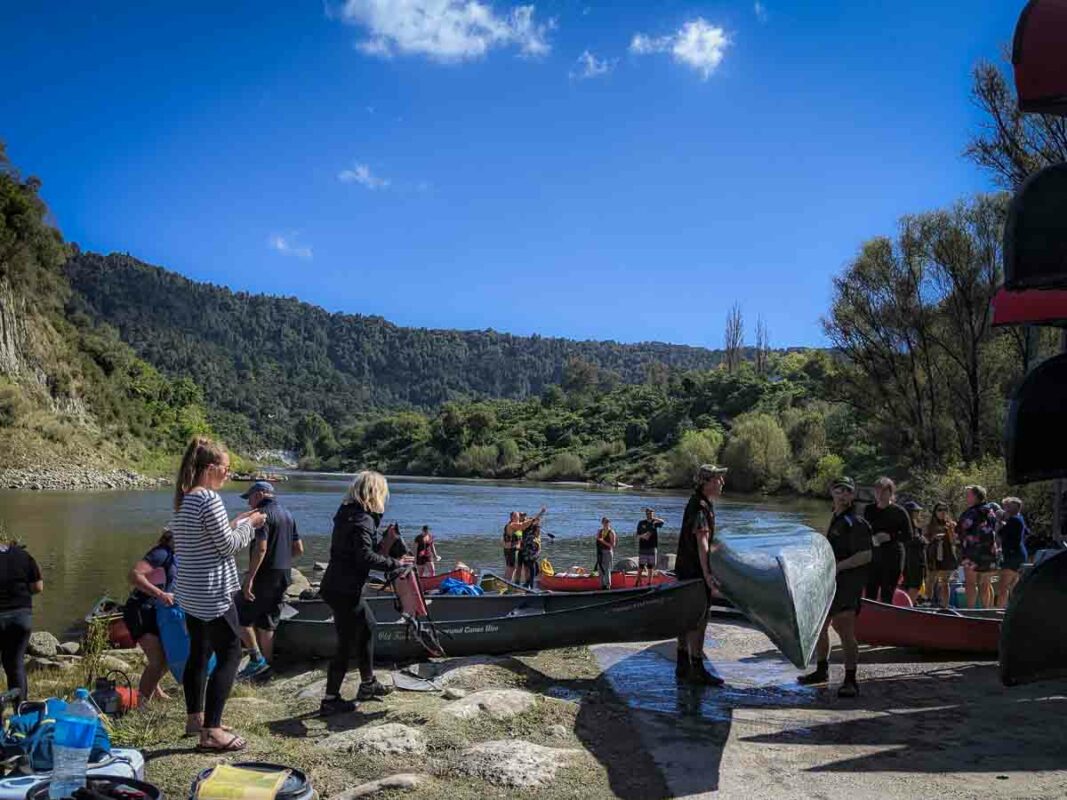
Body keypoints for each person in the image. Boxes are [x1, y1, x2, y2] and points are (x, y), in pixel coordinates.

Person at [171, 437, 264, 752]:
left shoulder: (185, 498)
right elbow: (227, 546)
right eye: (226, 467)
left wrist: (235, 522)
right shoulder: (209, 498)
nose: (229, 473)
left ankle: (195, 719)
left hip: (191, 592)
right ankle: (211, 731)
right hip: (213, 593)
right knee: (231, 654)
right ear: (211, 468)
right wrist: (251, 524)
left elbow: (207, 538)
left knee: (199, 653)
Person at [319, 471, 413, 717]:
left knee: (367, 627)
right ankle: (330, 699)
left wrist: (386, 543)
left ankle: (368, 684)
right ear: (375, 493)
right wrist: (396, 564)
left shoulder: (348, 513)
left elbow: (360, 552)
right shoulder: (363, 519)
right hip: (344, 589)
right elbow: (365, 557)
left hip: (337, 585)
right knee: (347, 642)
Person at [799, 477, 872, 698]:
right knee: (821, 627)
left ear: (852, 495)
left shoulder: (856, 522)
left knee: (844, 630)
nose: (842, 495)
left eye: (847, 491)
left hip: (848, 584)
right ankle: (822, 670)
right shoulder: (836, 518)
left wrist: (838, 566)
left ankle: (850, 680)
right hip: (829, 583)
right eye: (838, 491)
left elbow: (866, 555)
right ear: (832, 493)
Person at [236, 481, 303, 680]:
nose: (249, 503)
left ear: (259, 495)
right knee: (268, 621)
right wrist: (281, 560)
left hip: (264, 574)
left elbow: (261, 548)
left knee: (239, 615)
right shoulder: (288, 514)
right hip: (283, 572)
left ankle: (258, 662)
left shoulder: (261, 515)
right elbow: (299, 549)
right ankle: (266, 666)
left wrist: (249, 578)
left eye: (249, 498)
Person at [674, 464, 727, 687]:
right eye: (717, 479)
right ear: (705, 482)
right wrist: (707, 575)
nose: (722, 482)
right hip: (695, 573)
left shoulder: (695, 502)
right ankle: (697, 669)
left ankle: (682, 664)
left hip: (685, 570)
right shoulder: (700, 507)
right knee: (699, 620)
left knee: (685, 617)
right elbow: (702, 542)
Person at [124, 528, 177, 702]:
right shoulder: (161, 553)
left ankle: (156, 692)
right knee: (157, 660)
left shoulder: (174, 555)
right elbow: (134, 575)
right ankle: (141, 703)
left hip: (156, 611)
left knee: (168, 656)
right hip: (140, 610)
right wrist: (160, 594)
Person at [0, 534, 42, 701]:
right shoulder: (23, 555)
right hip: (21, 618)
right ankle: (20, 708)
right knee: (15, 664)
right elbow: (38, 587)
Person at [862, 477, 911, 604]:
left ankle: (886, 615)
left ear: (891, 493)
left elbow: (909, 536)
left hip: (893, 557)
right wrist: (870, 538)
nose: (880, 495)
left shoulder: (899, 512)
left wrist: (890, 537)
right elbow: (863, 531)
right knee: (870, 594)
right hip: (873, 557)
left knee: (887, 595)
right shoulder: (869, 510)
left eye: (884, 491)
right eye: (877, 491)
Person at [957, 484, 999, 609]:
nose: (966, 497)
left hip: (972, 552)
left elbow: (961, 528)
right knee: (985, 584)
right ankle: (986, 610)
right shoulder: (991, 512)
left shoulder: (970, 513)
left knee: (970, 583)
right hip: (989, 551)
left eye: (968, 495)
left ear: (976, 496)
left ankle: (970, 610)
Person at [995, 496, 1028, 608]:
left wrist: (1000, 522)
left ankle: (1000, 611)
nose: (1005, 509)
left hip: (1011, 556)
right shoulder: (1020, 519)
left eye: (1006, 507)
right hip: (1020, 554)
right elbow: (1026, 532)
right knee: (1014, 587)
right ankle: (1013, 610)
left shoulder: (1013, 520)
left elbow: (1000, 533)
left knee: (1003, 587)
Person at [925, 502, 958, 608]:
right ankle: (927, 603)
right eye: (940, 510)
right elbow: (925, 540)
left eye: (945, 510)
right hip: (933, 556)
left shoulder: (951, 525)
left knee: (944, 582)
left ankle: (945, 606)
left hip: (947, 556)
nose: (942, 512)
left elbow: (954, 542)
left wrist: (950, 530)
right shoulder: (930, 526)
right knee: (930, 580)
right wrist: (934, 538)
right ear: (935, 512)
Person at [502, 509, 545, 583]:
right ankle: (506, 583)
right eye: (517, 516)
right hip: (511, 550)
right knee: (511, 568)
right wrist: (535, 517)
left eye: (518, 516)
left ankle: (508, 583)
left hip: (512, 550)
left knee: (512, 567)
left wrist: (535, 519)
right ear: (512, 517)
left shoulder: (514, 524)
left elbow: (525, 525)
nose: (518, 517)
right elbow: (522, 526)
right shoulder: (512, 524)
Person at [901, 500, 927, 605]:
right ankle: (908, 606)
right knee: (913, 584)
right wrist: (922, 540)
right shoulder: (906, 527)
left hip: (917, 559)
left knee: (915, 584)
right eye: (916, 511)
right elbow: (911, 541)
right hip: (912, 560)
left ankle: (910, 604)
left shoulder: (916, 528)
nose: (918, 514)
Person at [635, 508, 665, 587]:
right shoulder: (641, 523)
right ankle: (637, 582)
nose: (649, 515)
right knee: (641, 566)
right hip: (643, 547)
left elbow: (663, 522)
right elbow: (637, 535)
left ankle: (649, 583)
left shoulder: (655, 523)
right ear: (646, 514)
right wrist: (643, 536)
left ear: (653, 514)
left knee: (650, 567)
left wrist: (655, 519)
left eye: (651, 513)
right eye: (648, 513)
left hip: (652, 547)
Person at [519, 519, 544, 589]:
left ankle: (527, 583)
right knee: (533, 571)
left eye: (539, 531)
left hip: (533, 557)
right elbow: (528, 549)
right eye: (538, 531)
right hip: (529, 557)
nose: (539, 532)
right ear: (535, 531)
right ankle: (531, 586)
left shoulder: (536, 537)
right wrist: (536, 554)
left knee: (537, 571)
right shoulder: (531, 538)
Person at [594, 517, 617, 590]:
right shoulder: (599, 531)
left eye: (607, 522)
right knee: (600, 569)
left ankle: (608, 585)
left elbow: (613, 545)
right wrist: (598, 539)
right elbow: (597, 541)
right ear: (602, 523)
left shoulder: (611, 532)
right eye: (604, 522)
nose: (605, 523)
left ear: (609, 523)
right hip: (600, 552)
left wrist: (603, 541)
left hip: (607, 552)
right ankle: (602, 585)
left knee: (607, 569)